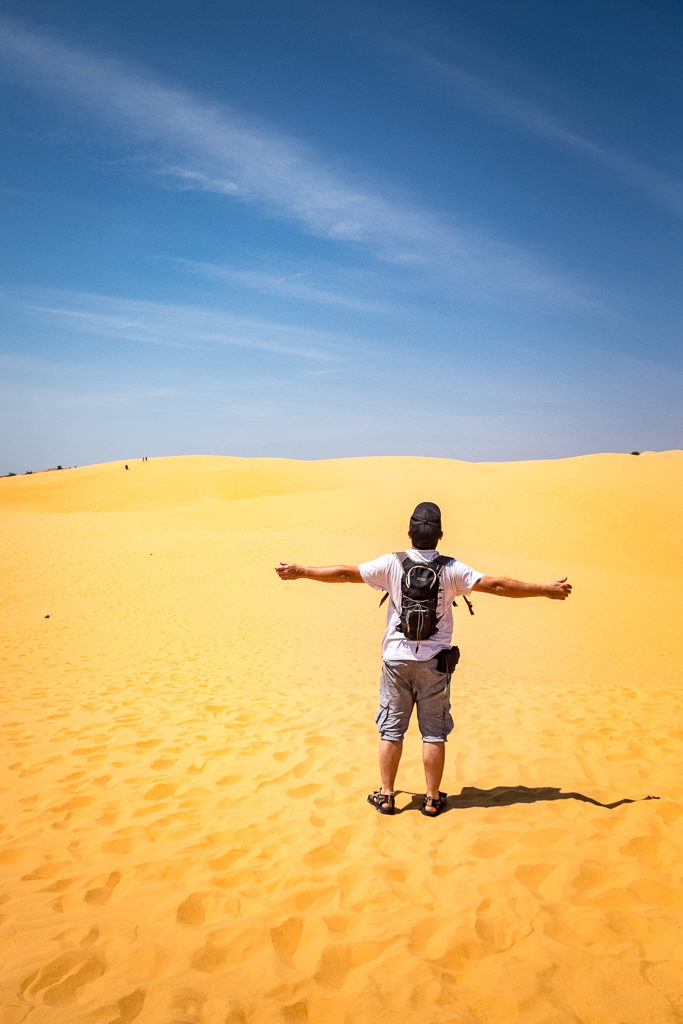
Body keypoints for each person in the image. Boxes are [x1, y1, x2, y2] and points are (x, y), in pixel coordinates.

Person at [275, 501, 572, 818]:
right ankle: (432, 799)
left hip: (396, 662)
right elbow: (496, 585)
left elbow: (346, 574)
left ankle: (387, 796)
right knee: (433, 733)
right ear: (440, 535)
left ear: (409, 533)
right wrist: (545, 589)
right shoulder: (452, 568)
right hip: (435, 665)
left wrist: (302, 571)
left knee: (391, 730)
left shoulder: (392, 563)